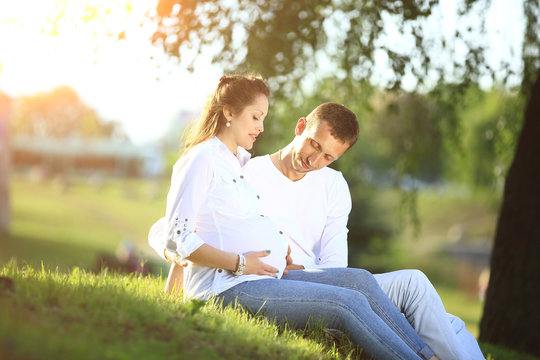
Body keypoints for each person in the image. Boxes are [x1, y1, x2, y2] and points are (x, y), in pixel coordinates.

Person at [149, 74, 437, 360]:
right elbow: (177, 239)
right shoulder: (202, 158)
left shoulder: (235, 162)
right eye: (255, 117)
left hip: (263, 279)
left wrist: (276, 248)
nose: (261, 128)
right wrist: (239, 263)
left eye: (263, 118)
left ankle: (427, 355)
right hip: (227, 288)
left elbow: (225, 223)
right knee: (347, 303)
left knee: (360, 281)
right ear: (229, 113)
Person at [241, 103, 486, 360]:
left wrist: (302, 268)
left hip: (329, 281)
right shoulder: (250, 174)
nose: (313, 161)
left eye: (328, 158)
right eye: (314, 144)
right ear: (300, 127)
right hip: (282, 285)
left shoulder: (333, 184)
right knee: (449, 326)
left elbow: (337, 267)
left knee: (433, 304)